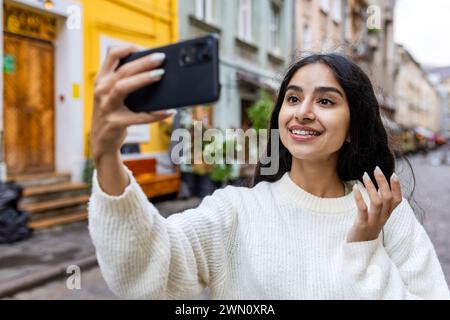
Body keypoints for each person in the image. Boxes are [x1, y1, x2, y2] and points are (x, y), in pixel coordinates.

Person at [88, 46, 450, 299]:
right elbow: (147, 274)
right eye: (293, 98)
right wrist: (106, 155)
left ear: (355, 125)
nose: (303, 112)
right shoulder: (235, 211)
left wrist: (364, 247)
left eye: (325, 101)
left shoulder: (385, 212)